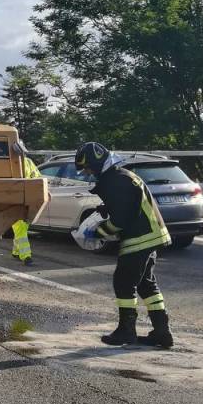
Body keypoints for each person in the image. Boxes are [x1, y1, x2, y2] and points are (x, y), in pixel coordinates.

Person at [76, 141, 175, 348]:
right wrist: (106, 209)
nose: (86, 172)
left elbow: (121, 219)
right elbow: (126, 205)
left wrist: (99, 232)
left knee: (123, 282)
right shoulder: (121, 176)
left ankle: (126, 331)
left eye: (87, 167)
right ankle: (162, 332)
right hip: (151, 235)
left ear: (96, 162)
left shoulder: (115, 181)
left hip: (140, 237)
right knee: (146, 284)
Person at [11, 154, 42, 265]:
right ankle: (26, 256)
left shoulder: (11, 161)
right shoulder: (28, 162)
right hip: (24, 200)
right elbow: (38, 178)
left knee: (20, 228)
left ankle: (17, 252)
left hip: (19, 200)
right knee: (21, 228)